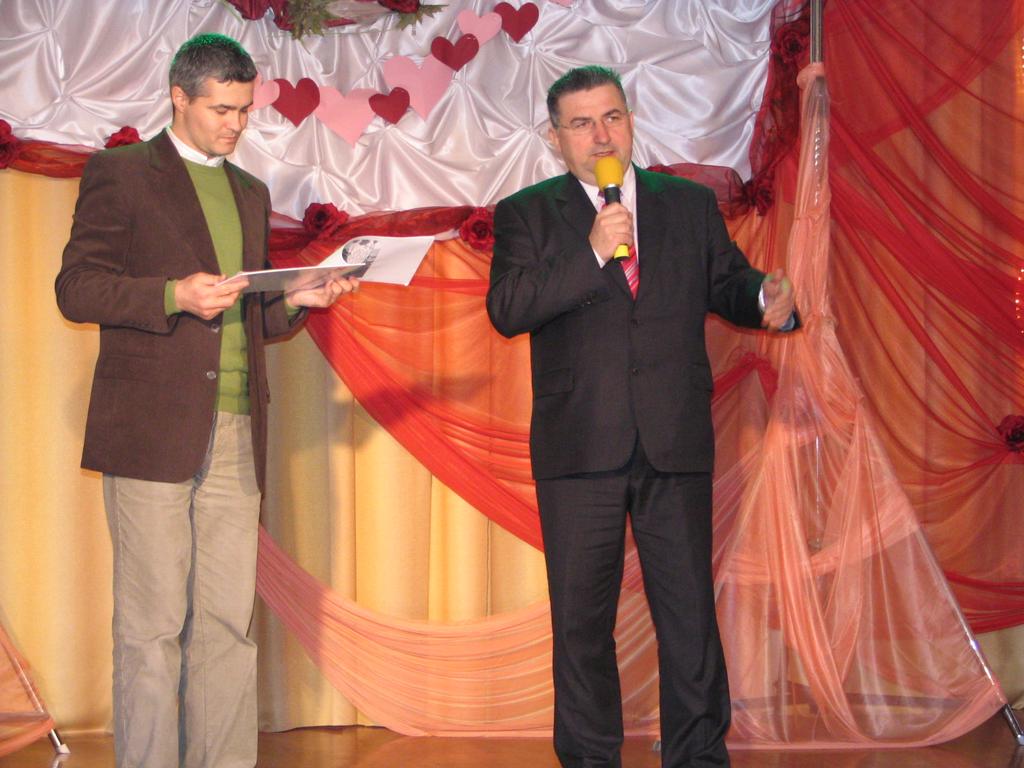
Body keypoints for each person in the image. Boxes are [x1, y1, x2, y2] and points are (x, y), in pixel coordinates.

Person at [55, 34, 356, 768]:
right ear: (178, 97)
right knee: (152, 627)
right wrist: (172, 295)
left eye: (245, 110)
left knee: (227, 624)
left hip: (237, 426)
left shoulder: (249, 191)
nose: (236, 124)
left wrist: (299, 298)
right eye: (222, 109)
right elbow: (77, 288)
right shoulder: (122, 172)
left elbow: (248, 317)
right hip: (151, 428)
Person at [486, 66, 797, 768]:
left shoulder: (685, 203)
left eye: (612, 117)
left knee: (689, 616)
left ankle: (698, 756)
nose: (601, 135)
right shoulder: (527, 213)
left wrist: (765, 299)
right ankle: (590, 758)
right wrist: (593, 251)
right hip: (578, 445)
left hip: (673, 438)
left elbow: (729, 282)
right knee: (582, 625)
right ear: (555, 138)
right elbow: (508, 309)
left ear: (630, 120)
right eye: (582, 123)